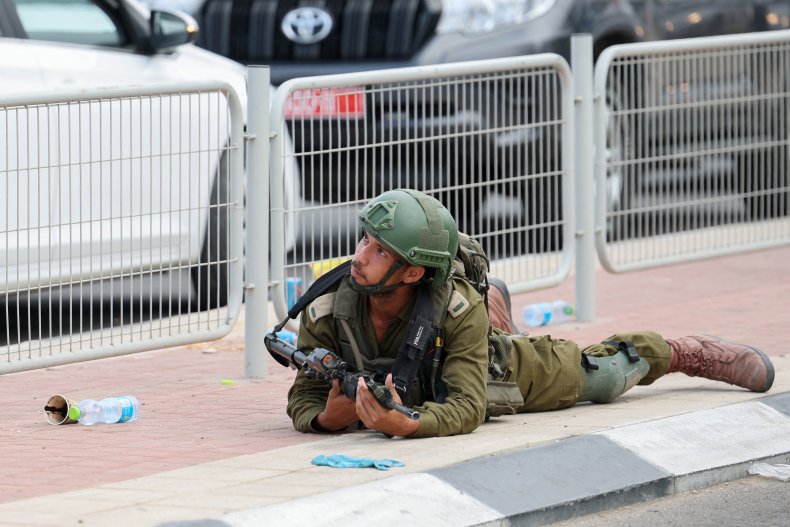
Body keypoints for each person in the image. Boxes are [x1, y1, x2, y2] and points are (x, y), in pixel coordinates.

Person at [286, 189, 775, 438]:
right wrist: (328, 420)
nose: (359, 257)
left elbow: (467, 408)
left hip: (497, 368)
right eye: (363, 240)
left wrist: (411, 426)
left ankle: (685, 353)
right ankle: (496, 310)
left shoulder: (453, 308)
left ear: (413, 274)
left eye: (379, 250)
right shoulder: (332, 304)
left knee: (601, 377)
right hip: (447, 359)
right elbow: (303, 395)